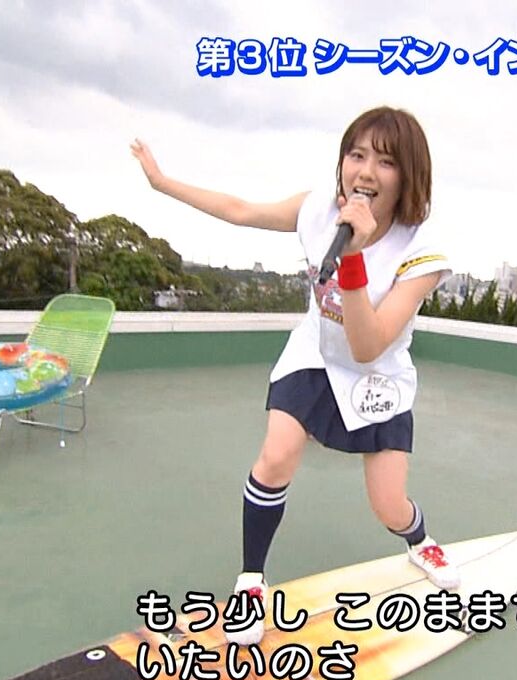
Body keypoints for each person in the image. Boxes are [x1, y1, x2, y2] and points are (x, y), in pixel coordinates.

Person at [129, 106, 459, 646]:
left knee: (388, 505)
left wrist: (353, 257)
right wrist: (163, 183)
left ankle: (420, 540)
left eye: (385, 161)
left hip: (376, 377)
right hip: (315, 353)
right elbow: (240, 210)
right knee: (276, 453)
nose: (365, 172)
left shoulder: (422, 251)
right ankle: (251, 581)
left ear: (409, 175)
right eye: (356, 155)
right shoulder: (319, 209)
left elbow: (369, 345)